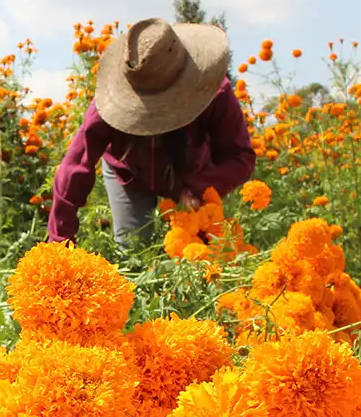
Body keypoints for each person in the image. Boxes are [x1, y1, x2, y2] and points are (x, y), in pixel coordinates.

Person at [47, 17, 257, 248]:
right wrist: (60, 241)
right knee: (133, 249)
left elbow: (240, 157)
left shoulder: (215, 92)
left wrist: (198, 187)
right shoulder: (108, 104)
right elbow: (75, 166)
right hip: (130, 173)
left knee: (201, 258)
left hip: (192, 173)